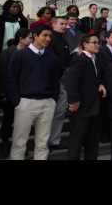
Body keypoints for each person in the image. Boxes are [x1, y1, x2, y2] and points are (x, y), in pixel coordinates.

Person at [7, 25, 61, 160]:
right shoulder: (20, 54)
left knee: (42, 143)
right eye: (45, 35)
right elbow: (11, 78)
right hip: (25, 103)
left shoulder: (52, 58)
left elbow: (56, 81)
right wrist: (17, 101)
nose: (48, 39)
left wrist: (53, 100)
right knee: (19, 142)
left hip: (47, 103)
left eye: (50, 36)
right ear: (35, 36)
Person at [64, 34, 106, 160]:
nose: (97, 45)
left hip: (94, 107)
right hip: (81, 108)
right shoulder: (79, 59)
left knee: (92, 142)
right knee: (76, 141)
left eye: (98, 42)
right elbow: (71, 81)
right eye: (94, 42)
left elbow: (95, 78)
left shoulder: (97, 59)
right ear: (85, 44)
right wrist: (73, 101)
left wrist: (100, 84)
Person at [0, 28, 32, 158]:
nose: (31, 40)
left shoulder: (30, 52)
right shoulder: (7, 53)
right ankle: (5, 145)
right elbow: (2, 74)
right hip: (10, 95)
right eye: (29, 38)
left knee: (24, 123)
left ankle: (21, 148)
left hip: (26, 94)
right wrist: (5, 93)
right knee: (8, 120)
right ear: (21, 39)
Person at [48, 16, 72, 151]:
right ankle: (45, 141)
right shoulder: (50, 39)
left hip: (63, 80)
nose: (64, 26)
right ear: (53, 24)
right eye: (61, 24)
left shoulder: (64, 39)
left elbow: (66, 59)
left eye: (65, 24)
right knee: (51, 112)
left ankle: (54, 140)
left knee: (60, 112)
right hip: (53, 80)